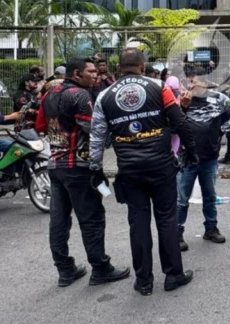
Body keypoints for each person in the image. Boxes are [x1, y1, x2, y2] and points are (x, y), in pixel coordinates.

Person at [90, 49, 196, 296]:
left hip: (129, 170)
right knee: (167, 220)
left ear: (118, 69)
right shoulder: (159, 87)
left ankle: (144, 281)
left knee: (138, 223)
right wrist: (192, 150)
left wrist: (96, 168)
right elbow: (179, 120)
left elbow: (96, 138)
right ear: (142, 66)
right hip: (161, 167)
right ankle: (173, 275)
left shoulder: (104, 96)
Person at [35, 57, 130, 287]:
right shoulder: (78, 95)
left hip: (55, 165)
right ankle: (100, 268)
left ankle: (65, 270)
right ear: (77, 74)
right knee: (91, 220)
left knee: (58, 221)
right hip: (78, 167)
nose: (95, 75)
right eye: (90, 71)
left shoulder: (50, 93)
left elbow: (39, 126)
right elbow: (93, 131)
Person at [177, 78, 230, 251]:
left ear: (206, 83)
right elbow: (171, 124)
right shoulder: (182, 99)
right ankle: (177, 233)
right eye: (190, 82)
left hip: (209, 157)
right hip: (186, 158)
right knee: (181, 198)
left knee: (209, 195)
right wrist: (183, 106)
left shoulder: (218, 98)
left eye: (197, 82)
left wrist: (222, 129)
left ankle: (211, 228)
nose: (193, 86)